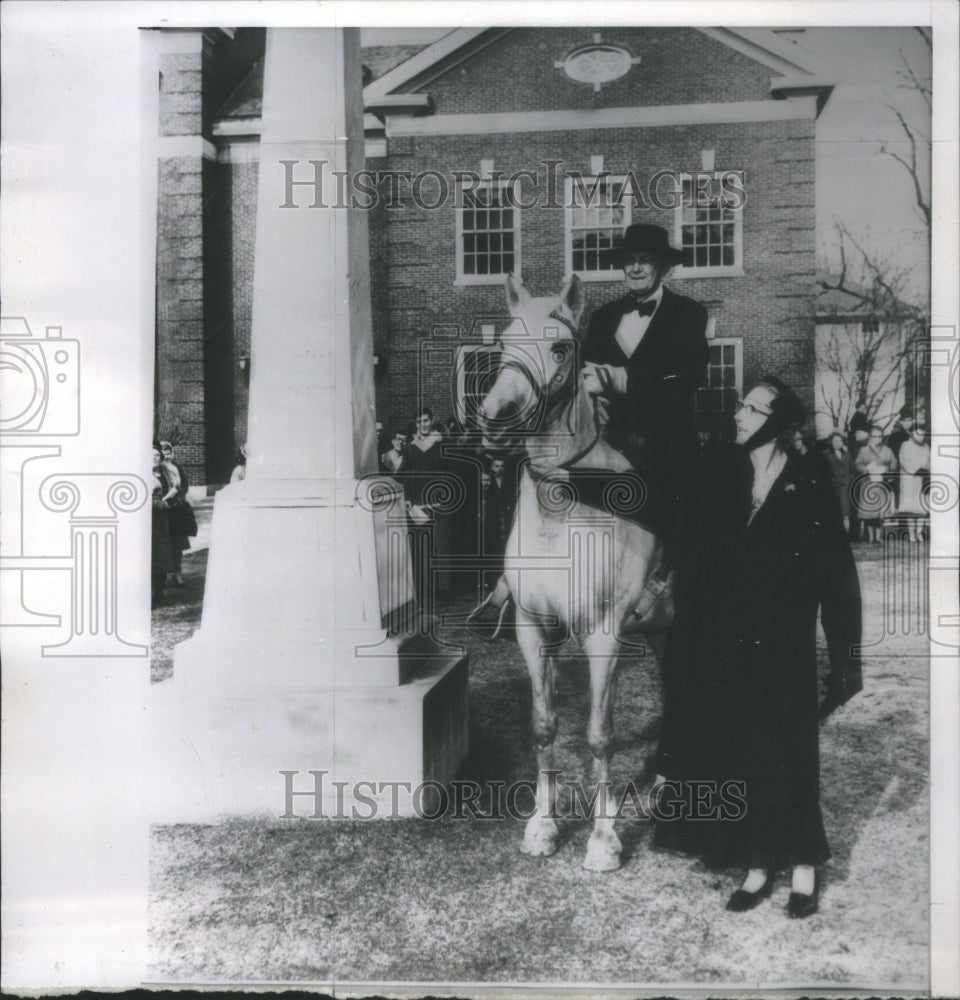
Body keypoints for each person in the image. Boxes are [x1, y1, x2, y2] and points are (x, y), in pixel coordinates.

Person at [654, 376, 862, 918]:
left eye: (751, 407)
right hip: (731, 637)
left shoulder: (810, 475)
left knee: (788, 754)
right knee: (745, 750)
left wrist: (846, 659)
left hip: (785, 640)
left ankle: (803, 866)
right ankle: (757, 863)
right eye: (742, 405)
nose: (739, 413)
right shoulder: (724, 469)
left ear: (777, 419)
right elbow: (676, 513)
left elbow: (837, 572)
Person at [580, 223, 709, 554]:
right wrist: (593, 398)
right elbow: (585, 374)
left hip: (668, 454)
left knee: (677, 549)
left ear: (663, 267)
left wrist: (626, 380)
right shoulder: (602, 318)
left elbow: (688, 376)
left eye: (646, 260)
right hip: (610, 451)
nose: (635, 267)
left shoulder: (688, 314)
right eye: (629, 260)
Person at [854, 425, 898, 543]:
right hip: (868, 483)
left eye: (880, 436)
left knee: (880, 511)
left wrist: (887, 469)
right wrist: (867, 468)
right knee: (869, 511)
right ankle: (871, 537)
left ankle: (878, 537)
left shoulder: (887, 450)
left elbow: (894, 464)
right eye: (875, 436)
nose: (878, 438)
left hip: (881, 483)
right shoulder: (863, 450)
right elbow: (857, 465)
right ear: (870, 437)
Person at [160, 440, 190, 585]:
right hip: (164, 510)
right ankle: (163, 575)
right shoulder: (159, 469)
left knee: (178, 543)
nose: (167, 457)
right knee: (165, 544)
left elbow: (184, 486)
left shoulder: (177, 467)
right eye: (164, 454)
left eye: (169, 453)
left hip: (177, 510)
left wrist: (178, 499)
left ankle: (177, 572)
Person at [151, 444, 177, 607]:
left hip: (164, 521)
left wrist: (171, 501)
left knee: (164, 556)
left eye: (157, 456)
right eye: (151, 455)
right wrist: (163, 505)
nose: (154, 458)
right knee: (152, 556)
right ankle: (151, 595)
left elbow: (175, 489)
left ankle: (159, 593)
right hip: (151, 520)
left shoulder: (165, 474)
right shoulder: (142, 476)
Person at [897, 422, 930, 541]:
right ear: (912, 433)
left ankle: (919, 532)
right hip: (909, 480)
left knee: (921, 506)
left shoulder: (926, 447)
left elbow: (929, 460)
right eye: (918, 434)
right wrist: (916, 470)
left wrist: (926, 469)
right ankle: (911, 533)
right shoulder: (905, 445)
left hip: (922, 480)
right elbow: (904, 461)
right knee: (910, 508)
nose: (920, 437)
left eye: (923, 434)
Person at [823, 431, 854, 534]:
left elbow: (852, 469)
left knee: (845, 513)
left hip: (845, 487)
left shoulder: (847, 454)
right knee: (833, 512)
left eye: (840, 441)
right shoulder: (825, 454)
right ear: (830, 442)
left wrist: (849, 479)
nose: (838, 443)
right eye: (835, 441)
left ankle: (846, 535)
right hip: (832, 487)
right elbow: (821, 469)